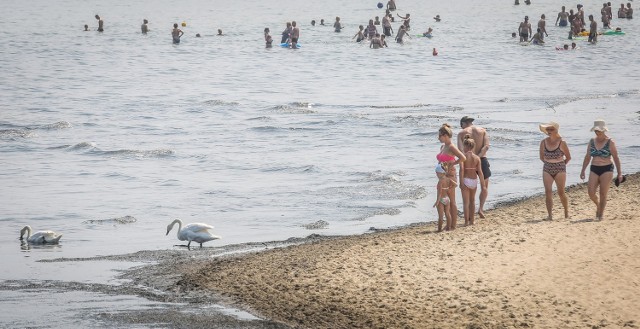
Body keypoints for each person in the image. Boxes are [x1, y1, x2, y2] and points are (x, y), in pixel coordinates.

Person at [579, 120, 623, 220]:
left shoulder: (610, 142)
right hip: (594, 168)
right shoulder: (591, 141)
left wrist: (619, 173)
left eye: (599, 130)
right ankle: (598, 205)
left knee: (603, 193)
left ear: (603, 130)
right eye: (595, 130)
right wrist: (582, 170)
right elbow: (587, 157)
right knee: (591, 192)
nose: (597, 132)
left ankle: (601, 214)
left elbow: (616, 158)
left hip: (607, 168)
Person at [457, 116, 491, 218]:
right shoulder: (482, 130)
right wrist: (478, 157)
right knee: (484, 187)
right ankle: (480, 209)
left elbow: (460, 151)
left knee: (467, 189)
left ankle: (469, 215)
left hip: (468, 162)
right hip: (482, 160)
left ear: (463, 123)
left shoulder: (461, 133)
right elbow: (486, 147)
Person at [539, 122, 572, 220]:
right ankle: (550, 215)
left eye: (551, 129)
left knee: (561, 192)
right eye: (547, 129)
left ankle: (566, 212)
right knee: (548, 191)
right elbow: (541, 157)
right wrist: (550, 163)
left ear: (556, 130)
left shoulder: (562, 142)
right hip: (547, 168)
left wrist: (560, 165)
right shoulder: (543, 142)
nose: (549, 131)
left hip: (560, 168)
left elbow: (568, 157)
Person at [437, 123, 466, 230]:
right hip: (443, 176)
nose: (438, 137)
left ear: (445, 135)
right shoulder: (443, 146)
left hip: (450, 176)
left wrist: (453, 164)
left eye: (439, 135)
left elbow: (463, 157)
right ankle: (448, 224)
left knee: (451, 200)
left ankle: (453, 225)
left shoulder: (451, 147)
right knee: (445, 199)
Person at [460, 136, 485, 226]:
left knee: (466, 203)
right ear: (473, 147)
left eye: (463, 146)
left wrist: (461, 182)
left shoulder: (463, 157)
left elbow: (461, 170)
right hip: (474, 180)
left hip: (466, 180)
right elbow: (480, 172)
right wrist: (483, 185)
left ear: (466, 146)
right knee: (472, 201)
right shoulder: (477, 158)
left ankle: (466, 221)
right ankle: (472, 221)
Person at [434, 162, 458, 232]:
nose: (436, 175)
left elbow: (439, 193)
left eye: (437, 173)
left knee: (441, 216)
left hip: (441, 199)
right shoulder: (448, 179)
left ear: (441, 173)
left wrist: (437, 202)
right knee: (448, 214)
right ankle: (448, 227)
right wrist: (449, 188)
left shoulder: (440, 182)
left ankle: (439, 229)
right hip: (447, 199)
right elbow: (456, 185)